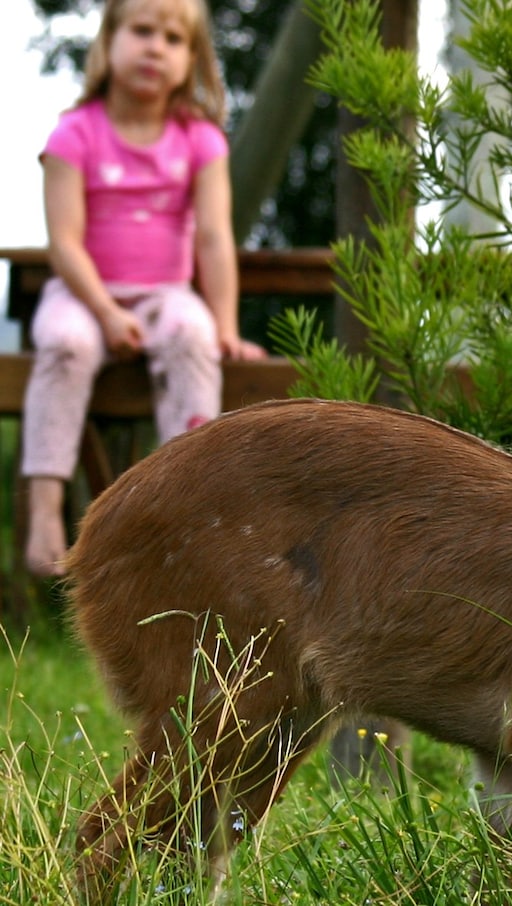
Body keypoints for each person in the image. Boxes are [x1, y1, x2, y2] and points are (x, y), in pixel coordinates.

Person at [22, 0, 265, 578]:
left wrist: (226, 326)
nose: (156, 47)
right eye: (141, 31)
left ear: (192, 60)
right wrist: (105, 312)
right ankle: (46, 507)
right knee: (64, 345)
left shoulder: (200, 140)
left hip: (167, 294)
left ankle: (193, 506)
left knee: (192, 333)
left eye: (173, 38)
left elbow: (212, 238)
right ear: (108, 42)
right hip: (85, 294)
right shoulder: (73, 133)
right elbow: (64, 242)